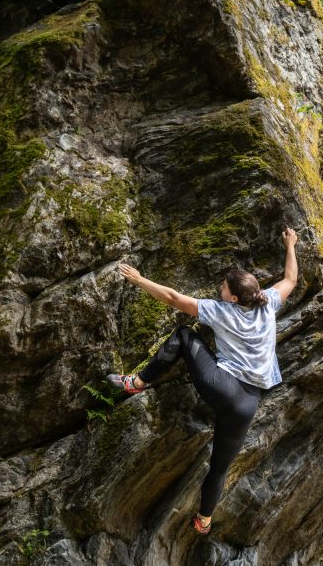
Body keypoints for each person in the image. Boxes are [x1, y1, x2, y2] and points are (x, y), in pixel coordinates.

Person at [107, 228, 299, 534]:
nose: (219, 289)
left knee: (185, 335)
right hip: (248, 403)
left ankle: (138, 382)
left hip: (223, 385)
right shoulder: (269, 303)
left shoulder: (221, 310)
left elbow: (172, 298)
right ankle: (204, 519)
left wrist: (139, 279)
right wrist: (290, 245)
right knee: (220, 466)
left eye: (223, 288)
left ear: (234, 298)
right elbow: (291, 279)